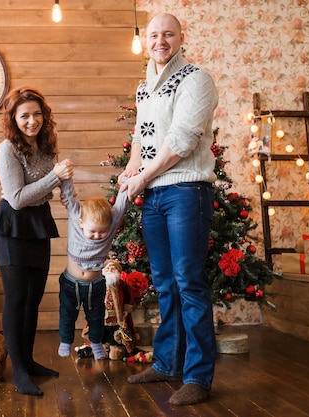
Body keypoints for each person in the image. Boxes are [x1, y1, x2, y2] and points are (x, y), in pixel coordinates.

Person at [119, 13, 219, 406]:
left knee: (189, 281)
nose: (160, 41)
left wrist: (141, 179)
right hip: (155, 197)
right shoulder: (145, 86)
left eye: (168, 34)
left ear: (181, 38)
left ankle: (197, 377)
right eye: (154, 35)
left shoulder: (197, 79)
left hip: (185, 191)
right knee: (165, 283)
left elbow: (181, 141)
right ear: (146, 40)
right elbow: (142, 137)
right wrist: (132, 168)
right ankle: (166, 363)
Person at [0, 87, 73, 396]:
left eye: (37, 114)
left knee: (34, 298)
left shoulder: (47, 147)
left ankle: (29, 360)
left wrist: (63, 190)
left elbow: (46, 190)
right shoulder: (7, 149)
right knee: (17, 298)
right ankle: (18, 370)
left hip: (38, 222)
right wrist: (55, 178)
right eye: (24, 116)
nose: (32, 121)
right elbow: (18, 197)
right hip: (11, 224)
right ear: (14, 119)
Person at [57, 178, 128, 360]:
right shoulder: (76, 218)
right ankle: (66, 340)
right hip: (70, 283)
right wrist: (66, 177)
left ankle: (96, 342)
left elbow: (121, 205)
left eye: (102, 232)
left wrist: (127, 181)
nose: (97, 236)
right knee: (67, 314)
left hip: (95, 284)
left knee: (96, 316)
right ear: (81, 223)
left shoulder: (110, 226)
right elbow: (69, 196)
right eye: (92, 231)